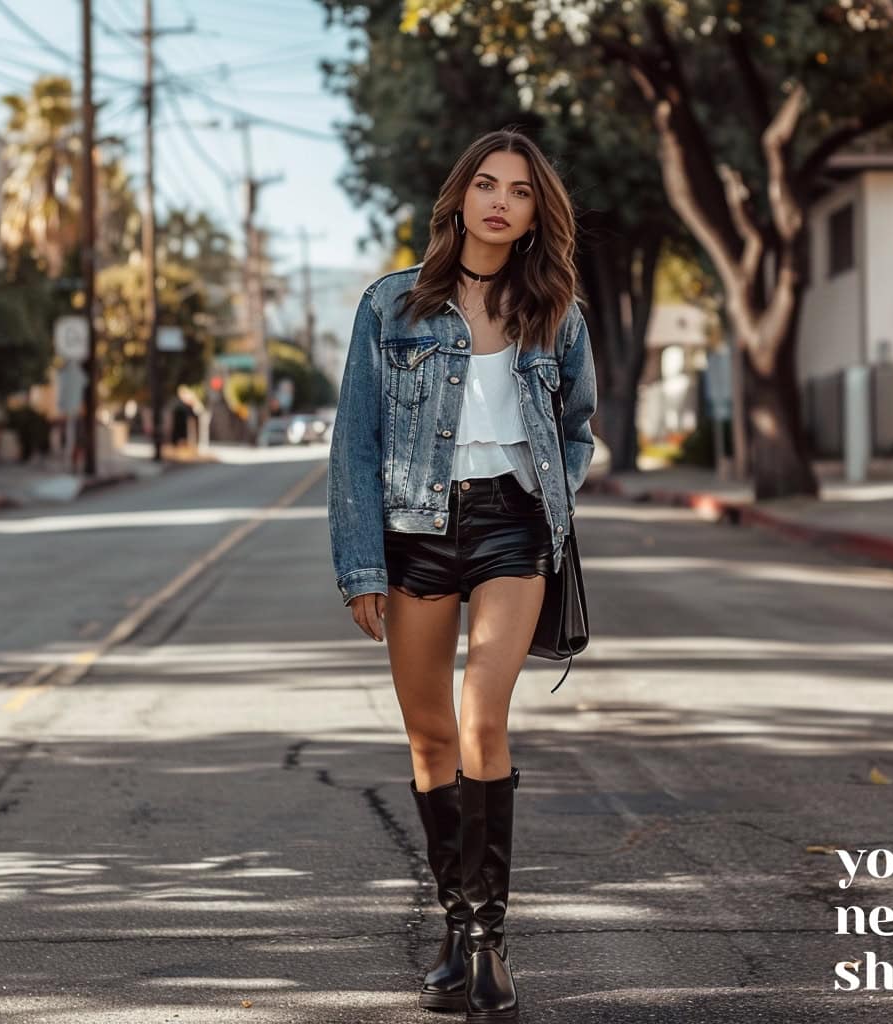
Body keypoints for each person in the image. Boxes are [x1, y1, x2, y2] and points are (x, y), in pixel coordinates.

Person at [327, 128, 597, 1022]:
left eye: (519, 191)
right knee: (431, 736)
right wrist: (360, 563)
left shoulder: (555, 309)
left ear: (533, 214)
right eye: (486, 184)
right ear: (459, 199)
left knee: (484, 715)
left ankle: (489, 942)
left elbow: (578, 424)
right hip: (415, 532)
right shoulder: (391, 306)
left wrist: (555, 497)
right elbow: (354, 449)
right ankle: (454, 926)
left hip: (511, 527)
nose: (500, 201)